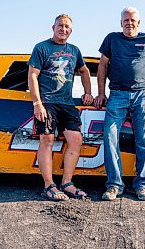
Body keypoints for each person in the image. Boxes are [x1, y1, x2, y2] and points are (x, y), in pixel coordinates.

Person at [94, 7, 145, 201]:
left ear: (139, 22)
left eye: (132, 20)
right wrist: (101, 93)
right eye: (126, 20)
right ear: (121, 23)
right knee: (110, 137)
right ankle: (114, 186)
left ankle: (143, 186)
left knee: (144, 141)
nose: (129, 23)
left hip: (142, 95)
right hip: (117, 95)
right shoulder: (112, 39)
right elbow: (102, 66)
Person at [28, 13, 94, 201]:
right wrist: (37, 103)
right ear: (53, 27)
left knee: (76, 140)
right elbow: (32, 75)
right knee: (47, 140)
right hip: (47, 101)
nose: (63, 29)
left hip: (67, 102)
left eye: (66, 27)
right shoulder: (41, 47)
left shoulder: (74, 50)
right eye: (60, 25)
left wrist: (88, 92)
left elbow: (84, 70)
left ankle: (67, 183)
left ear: (70, 31)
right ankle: (49, 185)